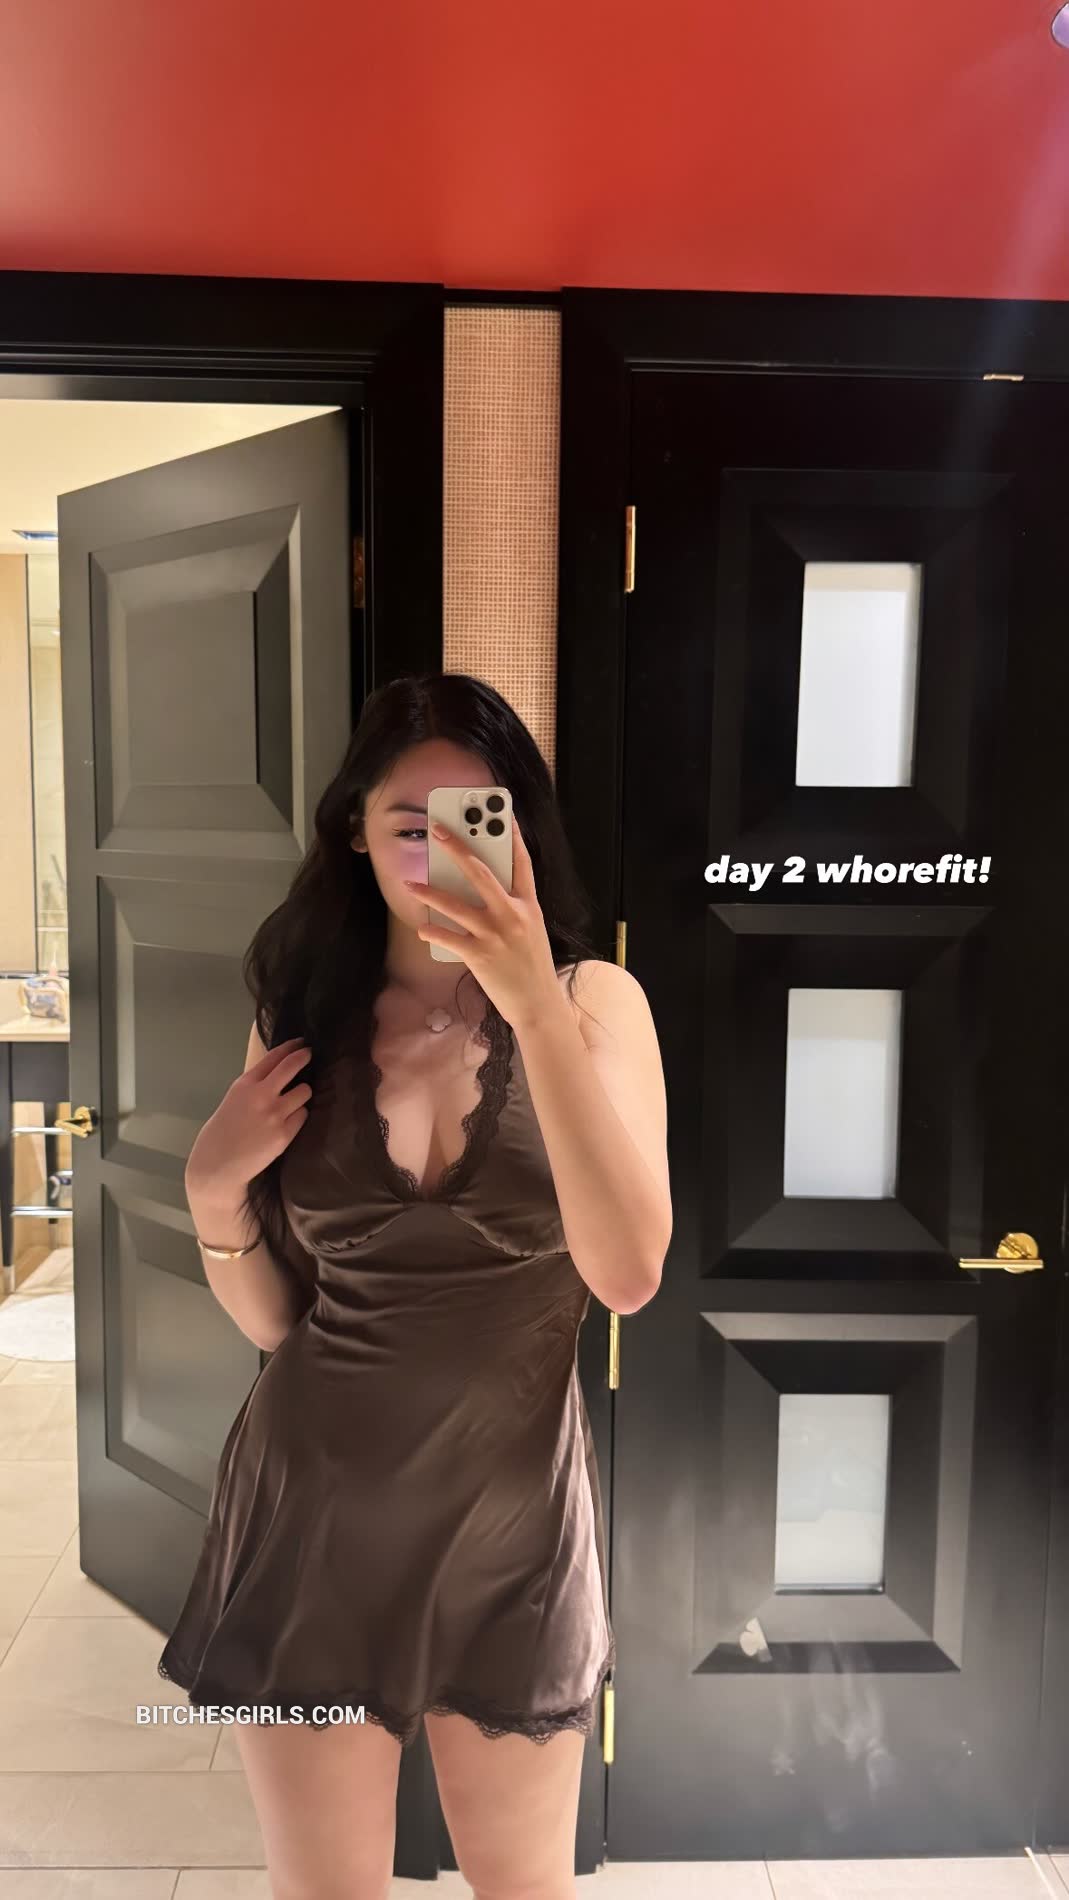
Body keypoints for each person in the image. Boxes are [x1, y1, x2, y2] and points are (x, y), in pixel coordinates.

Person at [157, 671, 672, 1900]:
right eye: (408, 823)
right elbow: (280, 1322)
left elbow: (626, 1274)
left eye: (475, 819)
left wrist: (532, 1007)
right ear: (353, 829)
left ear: (520, 828)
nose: (440, 854)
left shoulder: (597, 1005)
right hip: (314, 1514)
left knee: (525, 1888)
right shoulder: (303, 1015)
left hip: (514, 1528)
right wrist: (211, 1193)